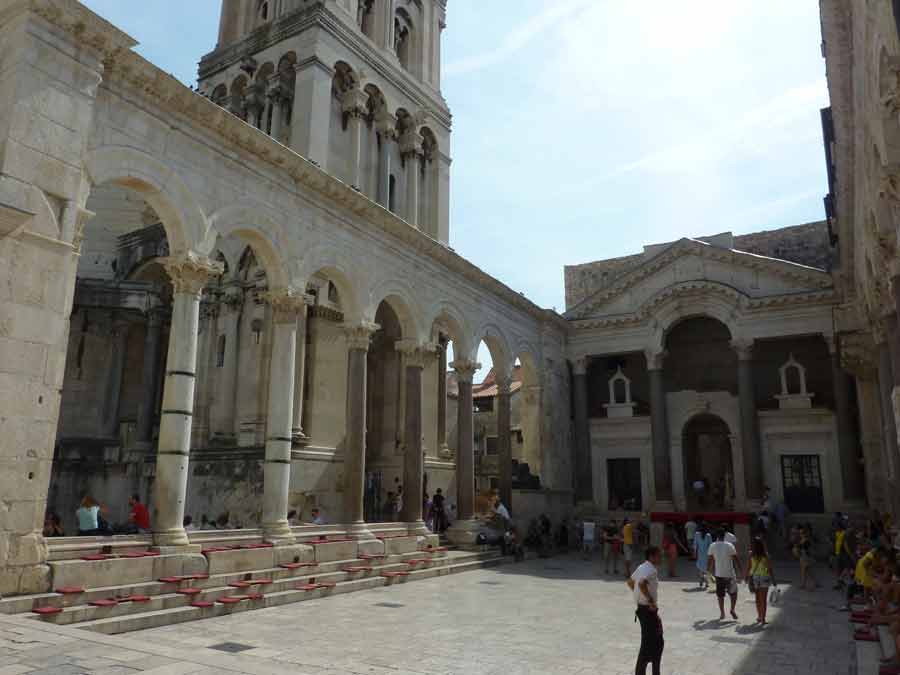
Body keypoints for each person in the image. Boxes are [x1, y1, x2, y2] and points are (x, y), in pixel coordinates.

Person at [627, 546, 664, 675]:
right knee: (656, 643)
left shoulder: (642, 567)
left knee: (649, 642)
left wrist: (639, 596)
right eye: (659, 555)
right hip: (648, 611)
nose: (661, 557)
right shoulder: (651, 570)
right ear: (652, 556)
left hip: (642, 609)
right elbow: (641, 583)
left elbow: (631, 582)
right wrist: (650, 600)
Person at [707, 529, 742, 621]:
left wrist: (708, 572)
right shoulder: (729, 545)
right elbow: (736, 559)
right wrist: (740, 571)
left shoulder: (712, 546)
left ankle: (722, 613)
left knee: (720, 595)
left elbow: (710, 560)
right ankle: (732, 609)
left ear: (717, 536)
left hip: (719, 574)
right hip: (730, 574)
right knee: (733, 593)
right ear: (724, 536)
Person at [746, 537, 775, 625]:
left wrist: (746, 576)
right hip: (764, 578)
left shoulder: (751, 554)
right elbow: (769, 568)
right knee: (763, 600)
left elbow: (749, 567)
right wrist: (774, 579)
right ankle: (763, 618)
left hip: (755, 578)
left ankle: (759, 616)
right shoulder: (765, 555)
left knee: (757, 599)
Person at [693, 524, 713, 589]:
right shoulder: (708, 535)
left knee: (700, 567)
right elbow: (710, 545)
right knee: (707, 568)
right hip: (707, 554)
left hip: (700, 554)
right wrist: (711, 555)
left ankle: (701, 579)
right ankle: (707, 582)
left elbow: (695, 545)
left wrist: (694, 553)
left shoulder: (697, 534)